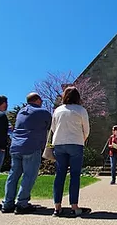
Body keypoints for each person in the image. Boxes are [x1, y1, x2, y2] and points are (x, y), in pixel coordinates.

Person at [2, 92, 52, 214]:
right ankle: (22, 204)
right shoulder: (42, 112)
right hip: (31, 146)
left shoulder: (21, 112)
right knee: (29, 175)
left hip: (15, 146)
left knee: (13, 175)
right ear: (38, 100)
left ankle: (8, 203)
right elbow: (52, 127)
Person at [51, 86, 90, 217]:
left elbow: (53, 128)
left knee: (60, 174)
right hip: (75, 143)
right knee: (74, 175)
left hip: (59, 144)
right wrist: (82, 139)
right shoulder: (81, 110)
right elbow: (87, 129)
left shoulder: (58, 110)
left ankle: (57, 207)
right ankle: (74, 206)